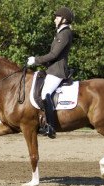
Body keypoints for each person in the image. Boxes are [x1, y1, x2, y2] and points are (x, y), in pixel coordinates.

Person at [27, 7, 74, 139]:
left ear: (64, 19)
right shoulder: (60, 32)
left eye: (57, 17)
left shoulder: (65, 33)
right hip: (51, 70)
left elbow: (54, 54)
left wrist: (36, 60)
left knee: (45, 93)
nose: (54, 19)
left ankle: (50, 126)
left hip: (57, 71)